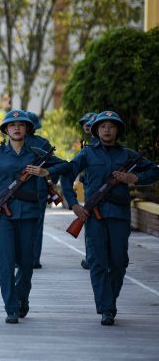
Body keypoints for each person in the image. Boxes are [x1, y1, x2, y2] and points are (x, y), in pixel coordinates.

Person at [61, 110, 158, 325]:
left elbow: (154, 170)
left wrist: (135, 178)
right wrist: (74, 204)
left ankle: (109, 301)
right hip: (94, 215)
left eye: (111, 126)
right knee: (97, 261)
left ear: (117, 130)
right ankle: (106, 308)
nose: (107, 129)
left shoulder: (128, 155)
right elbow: (67, 174)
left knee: (119, 262)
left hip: (119, 215)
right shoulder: (87, 154)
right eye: (102, 126)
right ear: (96, 130)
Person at [0, 110, 69, 324]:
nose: (16, 127)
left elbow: (66, 165)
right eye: (12, 124)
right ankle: (11, 307)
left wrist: (45, 173)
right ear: (6, 129)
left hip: (29, 213)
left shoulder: (36, 152)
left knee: (26, 264)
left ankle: (21, 299)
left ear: (27, 129)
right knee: (6, 262)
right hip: (3, 214)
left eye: (21, 124)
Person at [25, 111, 54, 269]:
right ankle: (34, 259)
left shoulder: (16, 142)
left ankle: (19, 258)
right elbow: (54, 166)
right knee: (37, 224)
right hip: (39, 189)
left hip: (18, 189)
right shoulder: (44, 143)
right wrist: (50, 180)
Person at [77, 112, 97, 270]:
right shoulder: (88, 143)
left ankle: (92, 258)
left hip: (97, 191)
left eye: (89, 123)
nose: (86, 126)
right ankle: (92, 257)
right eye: (85, 123)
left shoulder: (96, 143)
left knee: (92, 227)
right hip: (89, 188)